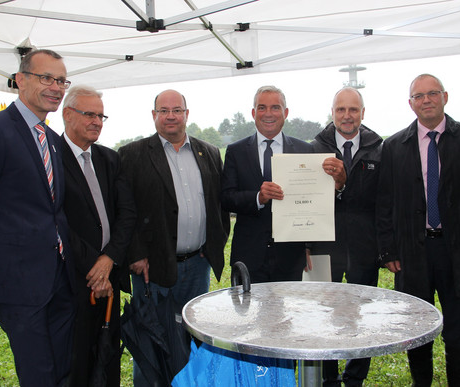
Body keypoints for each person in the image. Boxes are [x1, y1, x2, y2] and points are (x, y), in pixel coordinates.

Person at [0, 49, 75, 386]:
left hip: (59, 279)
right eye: (46, 78)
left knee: (63, 369)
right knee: (39, 374)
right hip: (16, 283)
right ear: (20, 80)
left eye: (61, 80)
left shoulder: (52, 140)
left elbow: (54, 208)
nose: (56, 87)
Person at [376, 74, 460, 386]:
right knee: (418, 327)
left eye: (432, 93)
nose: (426, 100)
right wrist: (388, 251)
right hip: (412, 253)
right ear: (411, 104)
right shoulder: (394, 146)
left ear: (445, 97)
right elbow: (384, 205)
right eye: (419, 96)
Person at [118, 89, 230, 385]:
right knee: (152, 340)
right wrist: (135, 255)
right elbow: (124, 211)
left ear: (186, 114)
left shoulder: (209, 152)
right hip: (152, 268)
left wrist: (212, 245)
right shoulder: (133, 155)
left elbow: (219, 204)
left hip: (197, 265)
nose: (171, 116)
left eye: (177, 110)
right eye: (164, 110)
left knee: (193, 337)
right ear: (154, 115)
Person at [61, 86, 136, 386]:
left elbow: (127, 213)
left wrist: (109, 260)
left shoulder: (109, 158)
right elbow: (56, 222)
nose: (97, 121)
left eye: (100, 115)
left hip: (109, 276)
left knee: (107, 359)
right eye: (89, 114)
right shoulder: (50, 157)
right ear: (67, 115)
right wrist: (95, 266)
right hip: (70, 280)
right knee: (75, 363)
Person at [308, 87, 382, 387]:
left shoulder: (380, 148)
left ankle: (354, 378)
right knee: (323, 314)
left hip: (365, 248)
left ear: (363, 113)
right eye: (341, 110)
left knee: (360, 315)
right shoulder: (314, 148)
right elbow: (307, 199)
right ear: (333, 113)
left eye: (353, 110)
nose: (347, 116)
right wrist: (306, 246)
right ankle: (328, 377)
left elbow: (384, 201)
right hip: (324, 248)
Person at [221, 85, 318, 283]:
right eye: (262, 107)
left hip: (290, 257)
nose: (268, 114)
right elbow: (226, 197)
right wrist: (258, 197)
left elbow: (311, 202)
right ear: (253, 112)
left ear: (286, 113)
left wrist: (308, 246)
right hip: (249, 256)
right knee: (248, 313)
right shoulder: (235, 151)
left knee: (289, 315)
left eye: (275, 107)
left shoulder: (304, 150)